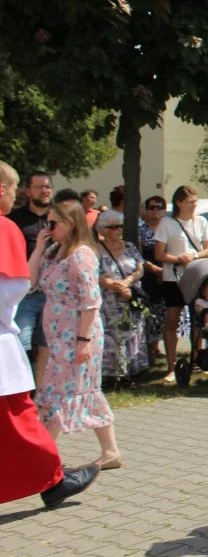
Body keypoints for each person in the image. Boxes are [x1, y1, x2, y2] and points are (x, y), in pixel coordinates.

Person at [0, 160, 101, 509]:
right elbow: (15, 288)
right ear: (3, 189)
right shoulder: (4, 228)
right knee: (21, 420)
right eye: (13, 190)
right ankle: (53, 481)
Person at [28, 199, 122, 470]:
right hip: (58, 336)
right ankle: (110, 451)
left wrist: (83, 342)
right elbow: (31, 280)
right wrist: (39, 248)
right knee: (74, 390)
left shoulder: (82, 254)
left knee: (62, 391)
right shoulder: (54, 251)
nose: (49, 228)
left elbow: (91, 302)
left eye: (54, 223)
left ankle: (41, 457)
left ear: (70, 224)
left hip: (77, 335)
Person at [155, 186, 208, 376]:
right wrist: (179, 258)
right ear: (179, 202)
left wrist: (194, 255)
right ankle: (171, 366)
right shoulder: (167, 223)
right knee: (172, 319)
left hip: (196, 275)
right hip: (173, 277)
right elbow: (159, 253)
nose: (193, 205)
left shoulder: (202, 221)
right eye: (190, 201)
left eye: (195, 201)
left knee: (198, 319)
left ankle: (196, 361)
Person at [95, 210, 149, 381]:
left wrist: (127, 282)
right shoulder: (96, 250)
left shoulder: (130, 246)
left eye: (120, 226)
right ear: (102, 229)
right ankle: (113, 374)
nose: (118, 230)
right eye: (113, 227)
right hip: (109, 301)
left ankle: (134, 370)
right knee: (113, 335)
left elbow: (140, 268)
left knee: (134, 332)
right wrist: (116, 286)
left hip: (130, 297)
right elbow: (94, 274)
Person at [7, 171, 53, 371]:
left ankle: (41, 391)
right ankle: (22, 387)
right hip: (26, 292)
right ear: (28, 191)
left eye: (48, 187)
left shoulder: (58, 218)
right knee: (21, 342)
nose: (44, 191)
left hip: (53, 291)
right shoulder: (15, 219)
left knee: (48, 344)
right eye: (39, 187)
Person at [137, 196, 168, 361]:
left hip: (169, 274)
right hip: (149, 277)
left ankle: (159, 348)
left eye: (159, 207)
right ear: (146, 210)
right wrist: (155, 269)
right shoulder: (141, 231)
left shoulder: (169, 228)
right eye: (152, 207)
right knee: (151, 315)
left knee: (166, 314)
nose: (155, 211)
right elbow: (138, 256)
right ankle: (150, 350)